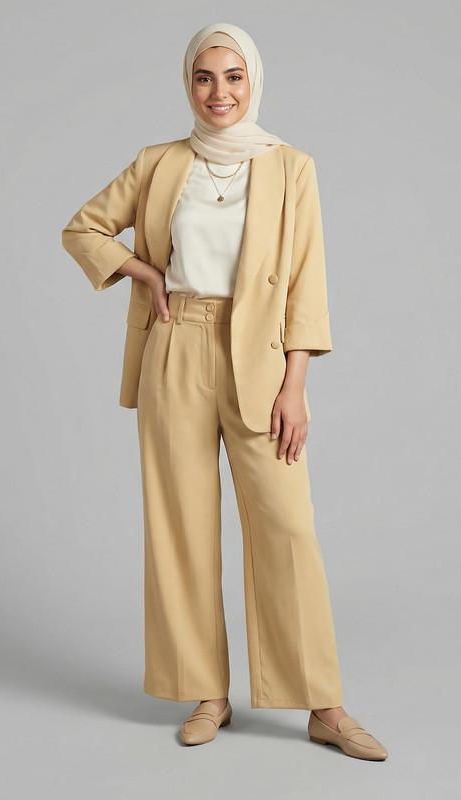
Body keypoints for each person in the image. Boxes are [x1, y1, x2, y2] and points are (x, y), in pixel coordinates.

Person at [61, 21, 388, 761]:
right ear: (188, 83)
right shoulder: (159, 162)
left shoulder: (291, 167)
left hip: (261, 358)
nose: (219, 91)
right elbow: (83, 230)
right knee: (181, 525)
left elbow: (306, 284)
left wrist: (295, 386)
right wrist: (141, 271)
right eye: (204, 77)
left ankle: (324, 706)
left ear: (254, 81)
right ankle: (207, 692)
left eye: (233, 76)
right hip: (175, 344)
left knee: (287, 527)